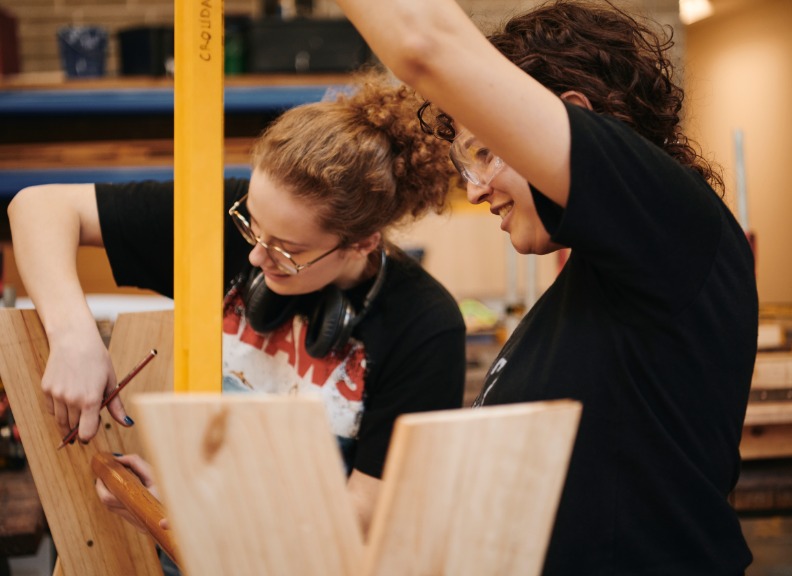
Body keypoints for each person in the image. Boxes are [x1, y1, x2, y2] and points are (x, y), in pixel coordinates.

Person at [332, 0, 759, 574]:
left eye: (485, 153)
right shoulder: (593, 291)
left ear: (574, 118)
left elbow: (423, 43)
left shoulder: (672, 222)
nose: (475, 191)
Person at [7, 73, 467, 537]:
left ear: (362, 243)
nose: (255, 257)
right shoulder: (231, 220)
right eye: (252, 224)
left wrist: (212, 515)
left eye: (286, 249)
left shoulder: (425, 326)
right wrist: (73, 336)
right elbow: (37, 208)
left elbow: (367, 515)